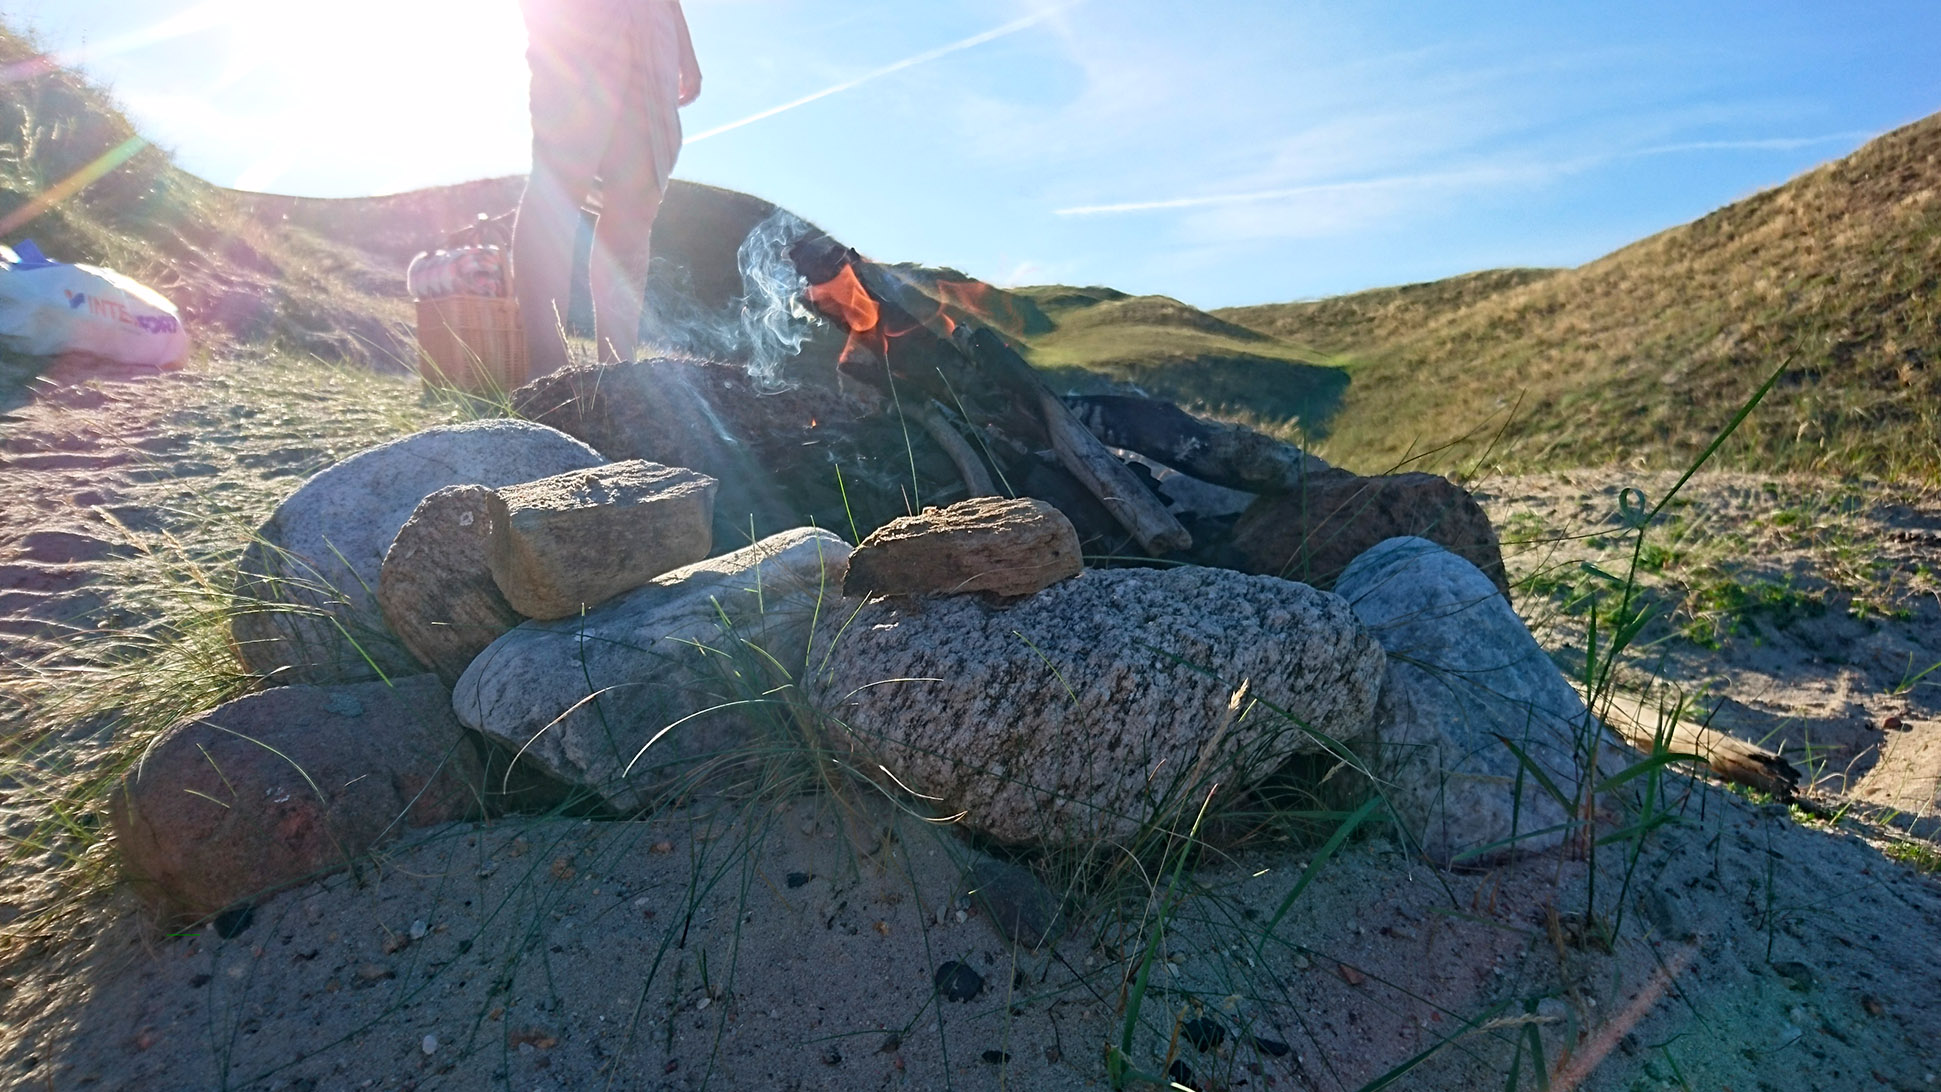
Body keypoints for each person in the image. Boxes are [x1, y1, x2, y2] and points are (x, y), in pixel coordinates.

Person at [514, 0, 701, 377]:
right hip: (578, 16)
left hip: (653, 23)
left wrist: (684, 46)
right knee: (562, 180)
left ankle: (619, 371)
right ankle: (548, 373)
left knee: (637, 199)